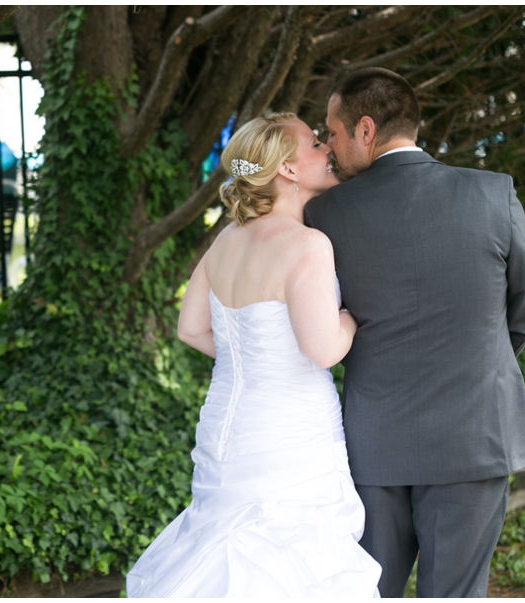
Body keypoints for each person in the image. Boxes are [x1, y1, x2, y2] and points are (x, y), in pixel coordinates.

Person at [304, 67, 525, 598]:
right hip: (474, 434)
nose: (331, 148)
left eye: (334, 133)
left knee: (370, 591)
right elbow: (522, 310)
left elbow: (316, 322)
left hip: (374, 444)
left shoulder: (324, 213)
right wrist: (476, 363)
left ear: (366, 130)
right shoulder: (493, 194)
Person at [126, 113, 382, 597]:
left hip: (228, 426)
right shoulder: (308, 245)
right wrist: (354, 315)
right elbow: (323, 348)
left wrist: (249, 360)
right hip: (289, 433)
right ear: (286, 169)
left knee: (226, 549)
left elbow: (190, 328)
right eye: (312, 143)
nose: (327, 148)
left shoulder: (226, 241)